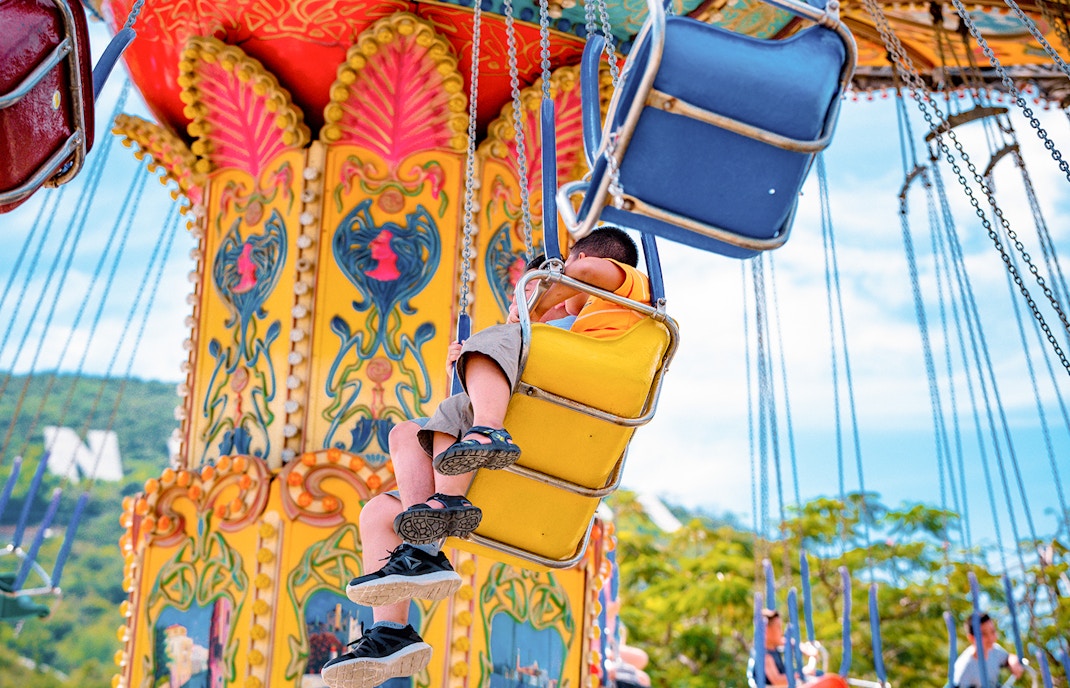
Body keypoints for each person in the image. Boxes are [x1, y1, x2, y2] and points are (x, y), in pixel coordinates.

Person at [321, 227, 647, 688]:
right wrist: (492, 345)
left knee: (489, 346)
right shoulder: (563, 335)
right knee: (392, 470)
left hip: (540, 437)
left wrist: (543, 286)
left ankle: (483, 436)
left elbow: (588, 271)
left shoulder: (623, 293)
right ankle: (397, 617)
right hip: (503, 460)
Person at [952, 613, 1024, 688]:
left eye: (993, 632)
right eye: (984, 634)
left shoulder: (994, 650)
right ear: (972, 638)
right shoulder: (964, 668)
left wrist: (1013, 661)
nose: (991, 638)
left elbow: (1008, 657)